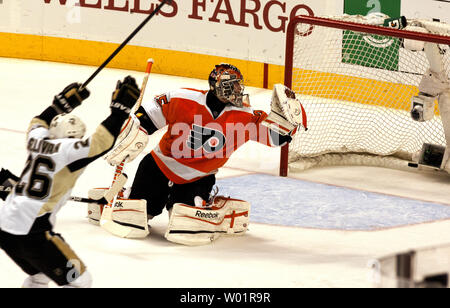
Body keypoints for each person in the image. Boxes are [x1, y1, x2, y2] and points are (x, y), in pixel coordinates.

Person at [102, 64, 307, 243]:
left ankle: (197, 202)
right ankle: (129, 194)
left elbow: (276, 138)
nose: (237, 89)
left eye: (238, 84)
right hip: (158, 166)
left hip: (198, 177)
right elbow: (145, 118)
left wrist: (288, 122)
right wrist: (134, 134)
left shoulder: (245, 116)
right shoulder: (182, 98)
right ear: (215, 86)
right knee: (137, 213)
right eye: (231, 84)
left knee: (184, 218)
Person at [0, 76, 141, 288]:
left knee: (39, 276)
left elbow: (38, 122)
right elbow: (101, 142)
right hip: (33, 233)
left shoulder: (37, 140)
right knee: (80, 281)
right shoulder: (69, 153)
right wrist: (119, 111)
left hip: (5, 228)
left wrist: (58, 106)